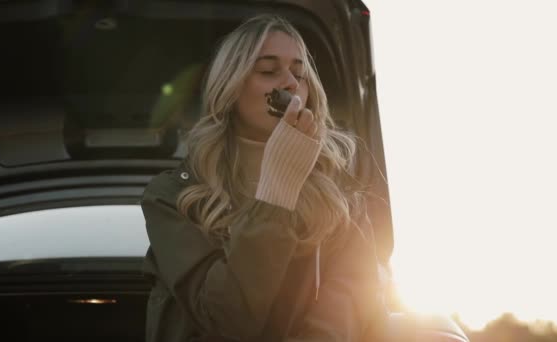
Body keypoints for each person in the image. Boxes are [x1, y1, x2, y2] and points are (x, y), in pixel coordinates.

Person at [141, 14, 388, 342]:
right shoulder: (172, 198)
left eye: (299, 74)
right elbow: (227, 320)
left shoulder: (344, 207)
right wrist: (276, 192)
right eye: (268, 70)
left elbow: (335, 326)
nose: (289, 82)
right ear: (231, 87)